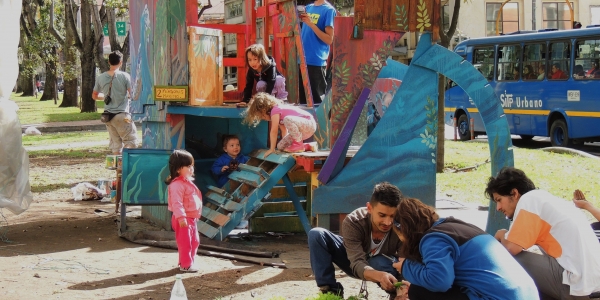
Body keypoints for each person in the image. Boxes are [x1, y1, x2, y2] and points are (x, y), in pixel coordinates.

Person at [391, 197, 539, 300]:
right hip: (527, 294)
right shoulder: (454, 226)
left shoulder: (433, 239)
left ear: (403, 229)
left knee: (418, 291)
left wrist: (406, 267)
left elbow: (439, 281)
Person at [486, 167, 600, 299]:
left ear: (514, 193)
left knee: (504, 258)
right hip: (590, 281)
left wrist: (502, 234)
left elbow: (511, 248)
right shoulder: (545, 198)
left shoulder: (528, 200)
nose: (498, 208)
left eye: (499, 200)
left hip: (577, 284)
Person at [307, 182, 403, 299]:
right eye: (382, 215)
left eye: (392, 216)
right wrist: (378, 275)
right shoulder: (354, 221)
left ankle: (397, 294)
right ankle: (330, 292)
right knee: (316, 234)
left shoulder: (402, 226)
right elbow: (356, 262)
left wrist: (403, 288)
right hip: (353, 261)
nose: (388, 222)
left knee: (381, 263)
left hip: (386, 267)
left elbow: (408, 262)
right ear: (369, 208)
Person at [92, 51, 139, 154]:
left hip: (108, 117)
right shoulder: (125, 76)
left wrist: (106, 97)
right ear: (121, 62)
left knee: (115, 145)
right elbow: (132, 94)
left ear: (109, 62)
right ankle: (124, 161)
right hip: (122, 115)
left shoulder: (101, 77)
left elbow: (94, 96)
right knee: (131, 141)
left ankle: (118, 169)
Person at [243, 92, 316, 155]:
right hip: (302, 131)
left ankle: (298, 144)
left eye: (262, 115)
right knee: (280, 146)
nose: (263, 118)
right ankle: (307, 146)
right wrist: (287, 144)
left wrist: (271, 149)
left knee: (287, 119)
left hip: (309, 124)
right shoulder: (278, 115)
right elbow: (284, 131)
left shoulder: (275, 110)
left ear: (264, 109)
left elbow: (274, 131)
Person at [165, 149, 202, 273]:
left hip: (191, 218)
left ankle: (189, 261)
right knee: (185, 243)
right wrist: (181, 218)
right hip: (183, 219)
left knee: (195, 241)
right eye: (187, 166)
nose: (191, 169)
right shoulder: (177, 185)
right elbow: (177, 203)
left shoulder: (187, 182)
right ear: (178, 169)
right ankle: (185, 264)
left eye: (191, 165)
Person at [298, 0, 336, 105]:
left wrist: (311, 23)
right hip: (301, 59)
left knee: (316, 102)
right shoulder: (308, 7)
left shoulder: (329, 10)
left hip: (316, 61)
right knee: (302, 102)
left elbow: (329, 39)